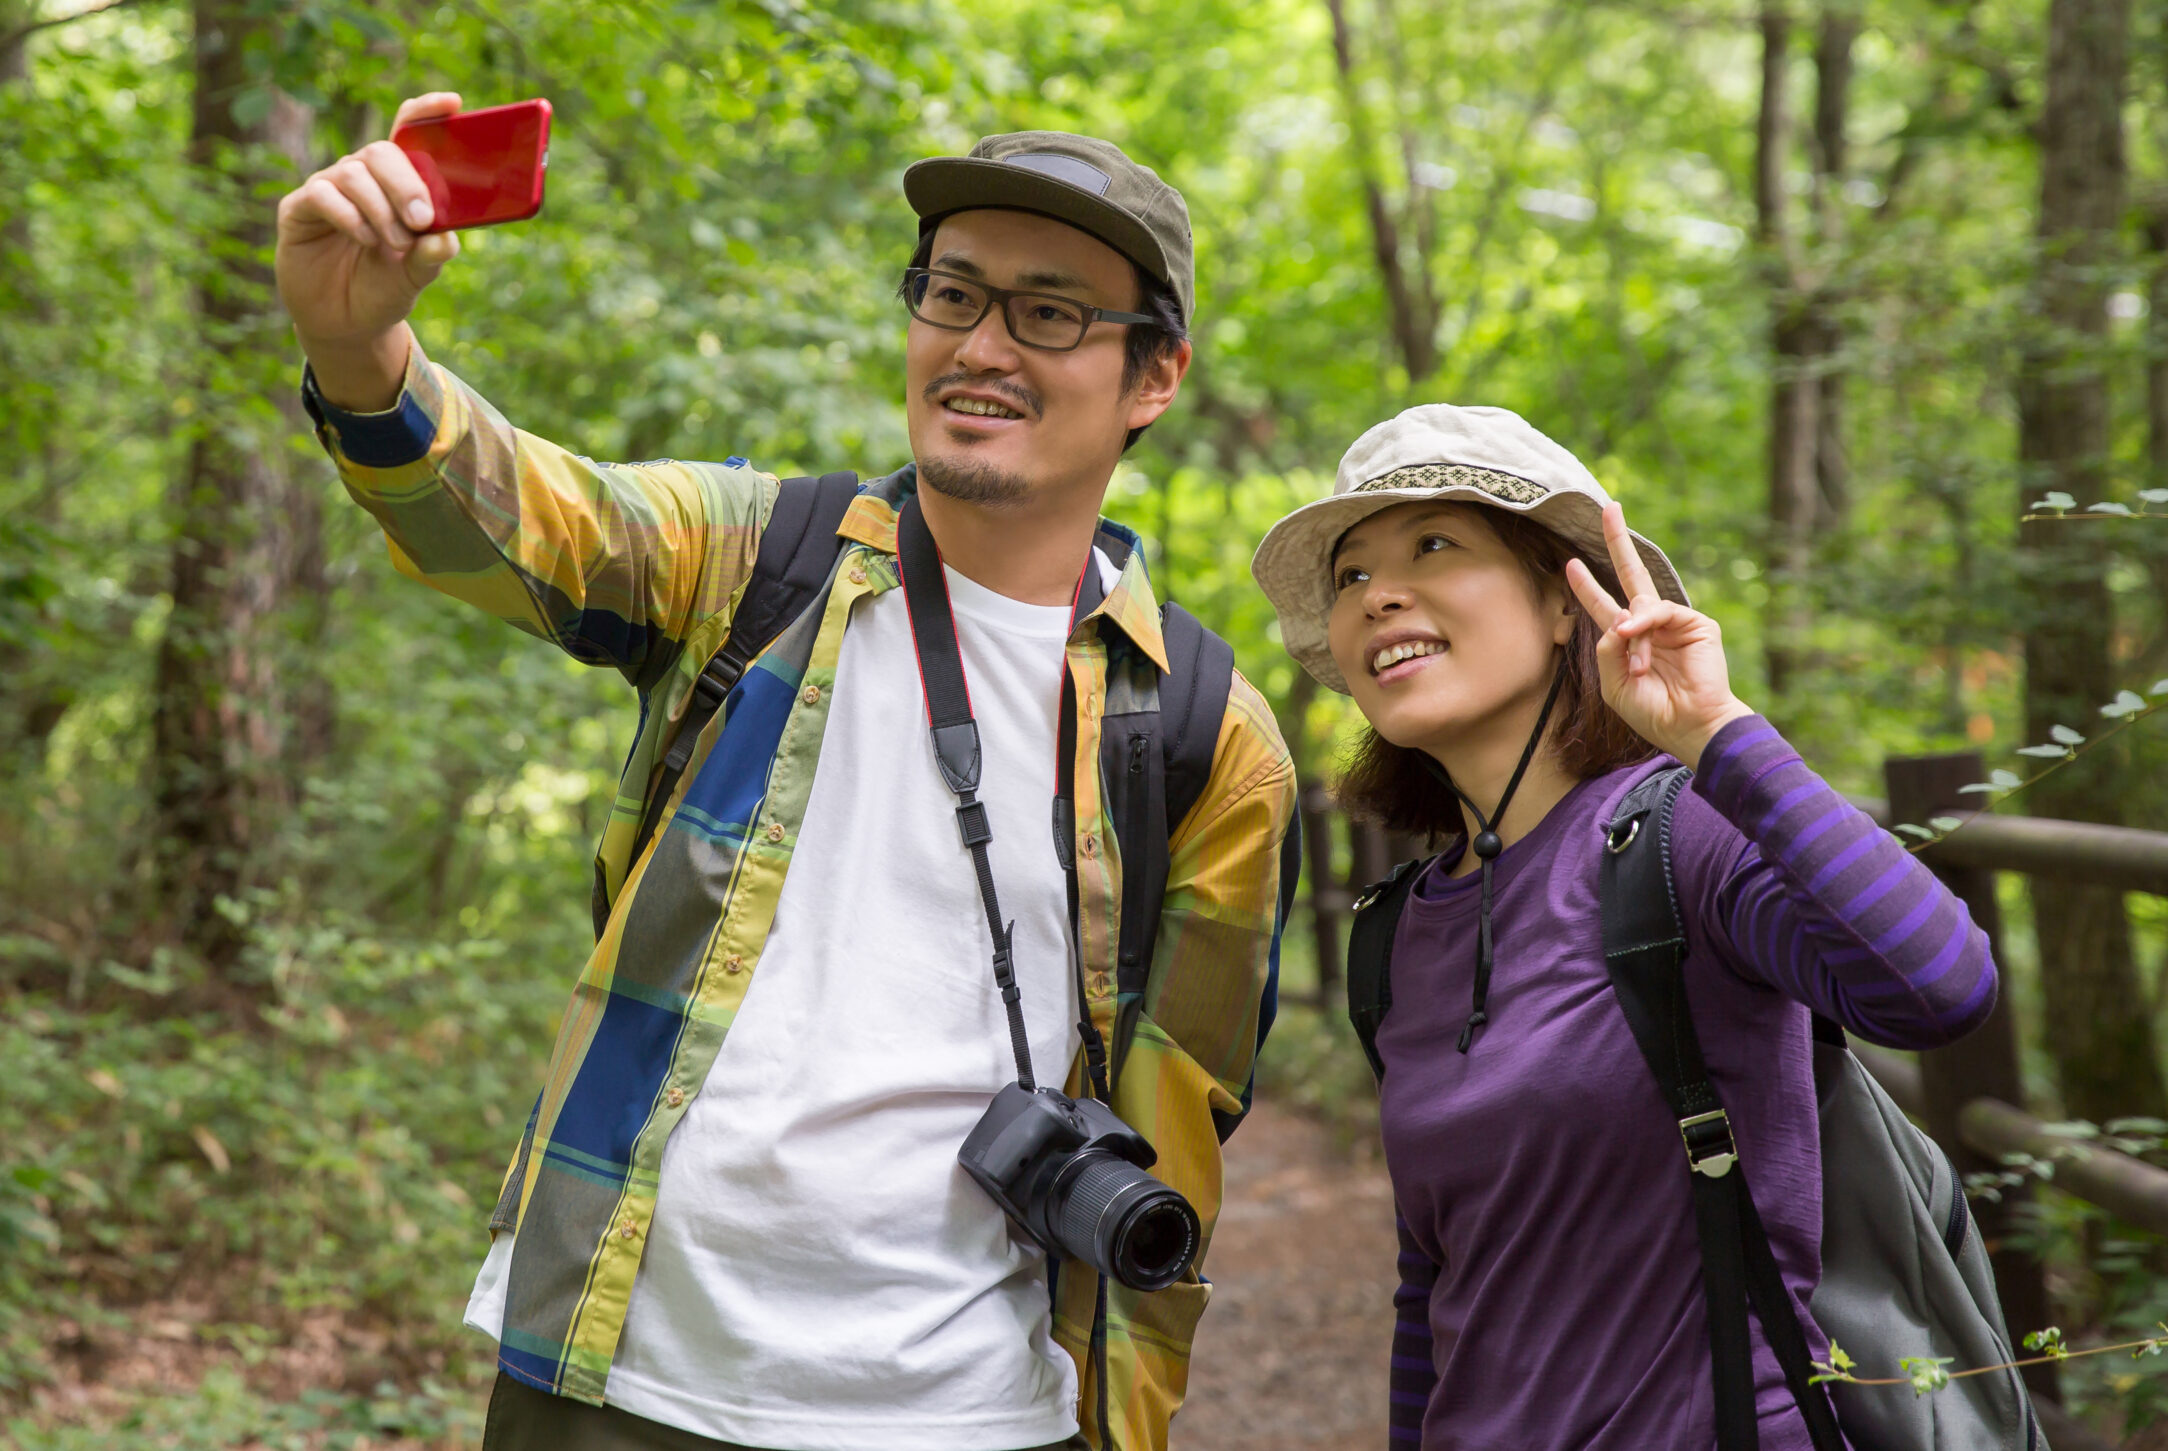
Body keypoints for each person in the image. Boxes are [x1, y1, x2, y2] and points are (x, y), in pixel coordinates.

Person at [275, 95, 1297, 1451]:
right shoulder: (759, 560)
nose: (982, 343)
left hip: (966, 1413)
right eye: (953, 292)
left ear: (1154, 375)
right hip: (616, 1378)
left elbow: (1174, 1142)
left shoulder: (1204, 733)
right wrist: (360, 349)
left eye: (1050, 312)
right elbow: (523, 518)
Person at [1249, 405, 1996, 1451]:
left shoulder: (1676, 837)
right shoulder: (1396, 933)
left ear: (1566, 602)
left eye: (1432, 544)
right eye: (1349, 576)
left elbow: (1937, 983)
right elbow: (1436, 1286)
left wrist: (1713, 734)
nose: (1377, 594)